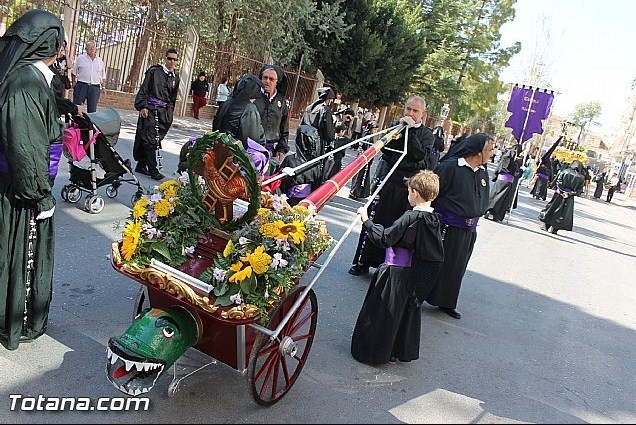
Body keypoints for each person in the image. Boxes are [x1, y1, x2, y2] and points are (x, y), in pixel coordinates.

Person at [0, 9, 65, 350]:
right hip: (22, 191)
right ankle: (16, 322)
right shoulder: (24, 82)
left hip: (25, 183)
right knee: (19, 255)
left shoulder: (30, 77)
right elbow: (24, 146)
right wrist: (40, 196)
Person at [351, 170, 444, 365]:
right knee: (400, 313)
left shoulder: (410, 218)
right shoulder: (433, 220)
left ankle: (374, 352)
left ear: (415, 193)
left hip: (393, 272)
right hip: (411, 274)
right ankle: (393, 353)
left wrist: (366, 220)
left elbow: (385, 238)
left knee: (381, 313)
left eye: (409, 191)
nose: (408, 195)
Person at [348, 96, 436, 276]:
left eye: (415, 111)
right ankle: (362, 261)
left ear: (423, 114)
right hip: (386, 181)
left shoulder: (426, 135)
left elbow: (419, 156)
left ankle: (387, 263)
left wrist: (410, 133)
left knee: (398, 227)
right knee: (375, 218)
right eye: (408, 109)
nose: (410, 113)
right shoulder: (396, 125)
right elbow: (386, 149)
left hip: (407, 189)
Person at [424, 133, 495, 319]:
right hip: (448, 227)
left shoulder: (482, 172)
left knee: (456, 268)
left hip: (469, 230)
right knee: (437, 264)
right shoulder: (450, 168)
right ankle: (419, 294)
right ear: (478, 152)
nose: (492, 153)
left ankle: (447, 301)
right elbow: (433, 194)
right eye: (489, 150)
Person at [132, 48, 181, 181]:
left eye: (174, 59)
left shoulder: (176, 77)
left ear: (177, 61)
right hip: (150, 109)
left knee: (154, 138)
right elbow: (144, 89)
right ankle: (153, 170)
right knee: (150, 139)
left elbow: (172, 98)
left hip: (164, 112)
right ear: (165, 59)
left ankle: (141, 165)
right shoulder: (154, 72)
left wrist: (169, 113)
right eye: (169, 58)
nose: (171, 61)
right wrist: (143, 106)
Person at [212, 73, 265, 147]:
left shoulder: (227, 102)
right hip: (235, 153)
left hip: (219, 148)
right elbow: (251, 141)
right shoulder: (249, 108)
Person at [539, 160, 585, 234]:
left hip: (559, 194)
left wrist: (562, 191)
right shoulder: (581, 177)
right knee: (563, 213)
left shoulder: (564, 171)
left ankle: (545, 225)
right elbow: (579, 191)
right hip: (569, 198)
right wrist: (569, 194)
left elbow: (558, 182)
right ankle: (555, 229)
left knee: (551, 209)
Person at [254, 64, 290, 155]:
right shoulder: (254, 96)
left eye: (271, 79)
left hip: (272, 150)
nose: (267, 81)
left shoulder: (281, 101)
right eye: (265, 78)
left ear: (277, 82)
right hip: (253, 148)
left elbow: (284, 127)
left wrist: (281, 149)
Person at [484, 143, 522, 222]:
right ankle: (496, 215)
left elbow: (498, 168)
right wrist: (520, 170)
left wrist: (495, 176)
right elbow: (517, 174)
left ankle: (489, 211)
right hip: (507, 183)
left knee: (494, 196)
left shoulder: (505, 158)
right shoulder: (515, 163)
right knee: (502, 201)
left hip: (500, 180)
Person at [71, 40, 105, 113]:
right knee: (77, 107)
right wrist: (74, 84)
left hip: (94, 88)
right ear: (86, 49)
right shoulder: (80, 59)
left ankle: (90, 123)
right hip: (81, 86)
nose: (92, 49)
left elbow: (102, 75)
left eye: (93, 47)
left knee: (92, 110)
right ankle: (75, 123)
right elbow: (74, 73)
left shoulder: (100, 61)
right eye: (89, 47)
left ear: (95, 48)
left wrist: (103, 87)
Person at [349, 121, 380, 200]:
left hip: (362, 158)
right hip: (364, 159)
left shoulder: (366, 135)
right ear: (371, 129)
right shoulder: (368, 137)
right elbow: (366, 148)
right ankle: (354, 192)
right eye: (375, 129)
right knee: (359, 176)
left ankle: (355, 192)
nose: (376, 131)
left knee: (359, 176)